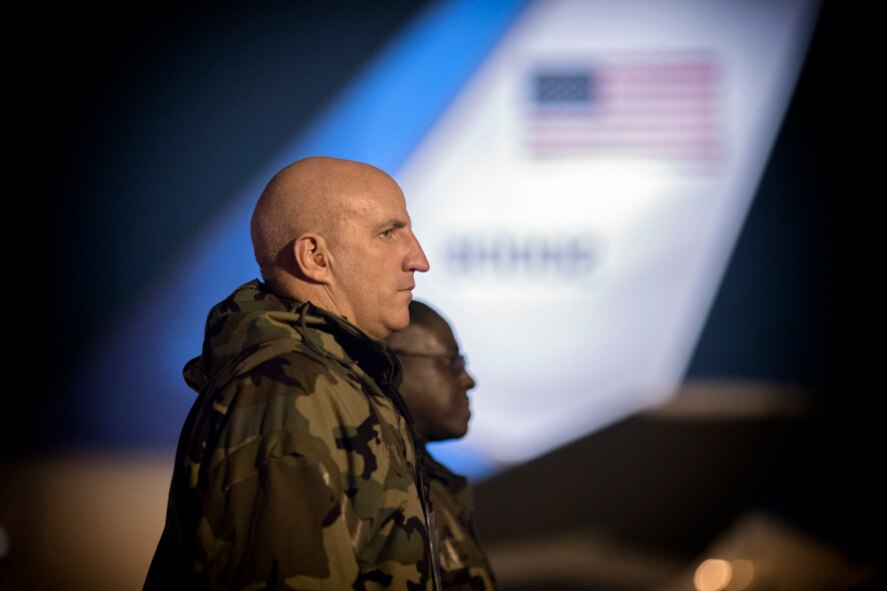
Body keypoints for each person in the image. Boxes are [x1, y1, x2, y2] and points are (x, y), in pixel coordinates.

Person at [144, 156, 439, 590]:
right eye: (388, 233)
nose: (419, 259)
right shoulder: (288, 392)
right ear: (315, 257)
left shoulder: (334, 377)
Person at [387, 301, 497, 590]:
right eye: (453, 362)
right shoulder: (378, 486)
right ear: (392, 363)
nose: (468, 381)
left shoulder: (431, 486)